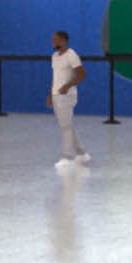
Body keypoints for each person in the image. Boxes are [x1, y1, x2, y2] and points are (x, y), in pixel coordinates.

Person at [48, 30, 89, 168]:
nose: (53, 42)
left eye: (55, 39)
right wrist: (50, 94)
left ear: (63, 40)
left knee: (65, 126)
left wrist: (67, 86)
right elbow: (55, 77)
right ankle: (82, 152)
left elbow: (82, 74)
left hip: (67, 96)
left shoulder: (72, 55)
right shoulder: (54, 56)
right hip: (56, 95)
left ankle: (67, 156)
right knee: (67, 124)